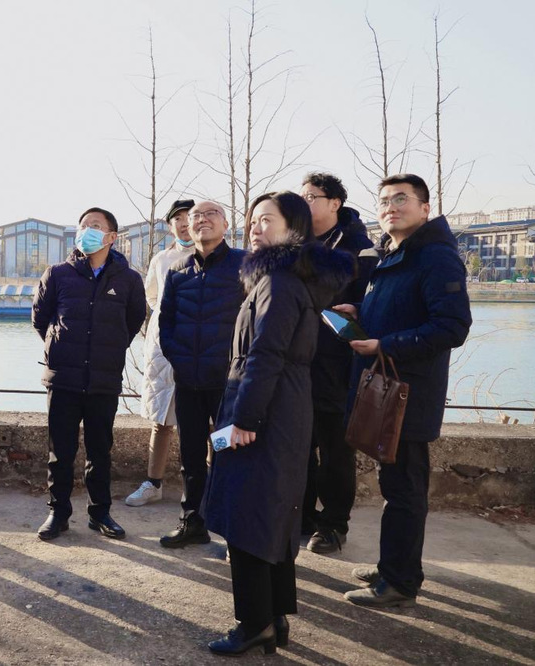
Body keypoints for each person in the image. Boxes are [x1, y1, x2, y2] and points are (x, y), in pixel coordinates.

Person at [204, 191, 353, 656]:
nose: (256, 228)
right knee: (271, 515)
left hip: (263, 412)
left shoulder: (278, 282)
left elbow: (266, 354)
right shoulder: (288, 278)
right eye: (253, 220)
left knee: (248, 517)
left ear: (295, 229)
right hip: (281, 407)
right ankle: (274, 616)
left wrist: (245, 419)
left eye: (267, 220)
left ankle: (255, 624)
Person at [341, 174, 471, 608]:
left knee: (406, 490)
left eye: (401, 199)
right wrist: (361, 310)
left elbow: (451, 327)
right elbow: (403, 309)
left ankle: (399, 582)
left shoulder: (435, 257)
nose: (390, 207)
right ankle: (393, 565)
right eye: (384, 201)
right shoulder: (394, 254)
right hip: (389, 390)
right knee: (394, 486)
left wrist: (384, 345)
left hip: (409, 395)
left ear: (424, 208)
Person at [32, 207, 147, 541]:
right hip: (63, 378)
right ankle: (58, 513)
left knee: (100, 450)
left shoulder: (128, 279)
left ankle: (100, 514)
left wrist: (106, 349)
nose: (87, 231)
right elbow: (41, 319)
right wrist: (61, 348)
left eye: (95, 226)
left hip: (103, 380)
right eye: (83, 225)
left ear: (111, 237)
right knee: (60, 452)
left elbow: (132, 322)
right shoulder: (57, 274)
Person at [156, 200, 246, 548]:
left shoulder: (243, 264)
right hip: (189, 383)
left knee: (226, 452)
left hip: (228, 386)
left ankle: (234, 532)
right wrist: (178, 358)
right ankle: (192, 521)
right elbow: (166, 321)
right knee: (191, 456)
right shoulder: (178, 270)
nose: (202, 220)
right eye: (195, 216)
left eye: (211, 214)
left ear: (226, 225)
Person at [298, 172, 379, 554]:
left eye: (312, 197)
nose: (305, 202)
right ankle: (302, 516)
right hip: (296, 362)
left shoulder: (360, 249)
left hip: (338, 366)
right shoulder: (295, 242)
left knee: (335, 451)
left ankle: (333, 524)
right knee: (298, 446)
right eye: (301, 196)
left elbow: (372, 307)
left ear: (335, 203)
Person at [125, 199, 195, 507]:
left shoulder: (214, 257)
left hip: (202, 346)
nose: (184, 223)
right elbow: (152, 297)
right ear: (170, 226)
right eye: (177, 218)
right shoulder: (161, 259)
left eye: (189, 217)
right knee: (161, 418)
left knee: (208, 419)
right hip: (164, 346)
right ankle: (153, 482)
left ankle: (208, 485)